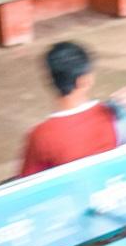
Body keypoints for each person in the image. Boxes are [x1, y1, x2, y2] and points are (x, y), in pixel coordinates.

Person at [19, 42, 119, 177]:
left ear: (51, 80)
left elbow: (28, 182)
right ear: (85, 81)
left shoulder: (40, 136)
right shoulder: (113, 115)